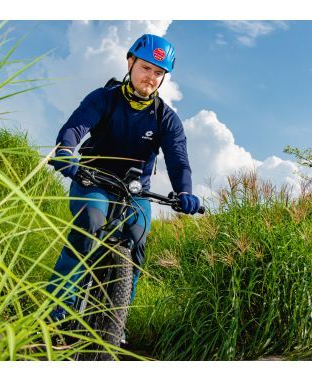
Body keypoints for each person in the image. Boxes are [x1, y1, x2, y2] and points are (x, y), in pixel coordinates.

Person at [47, 34, 200, 322]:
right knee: (90, 224)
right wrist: (66, 151)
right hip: (92, 180)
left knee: (137, 239)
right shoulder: (104, 99)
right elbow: (75, 128)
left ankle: (116, 321)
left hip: (135, 192)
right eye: (145, 68)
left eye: (158, 73)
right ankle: (56, 310)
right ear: (130, 62)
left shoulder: (166, 118)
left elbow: (178, 160)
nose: (151, 77)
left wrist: (184, 192)